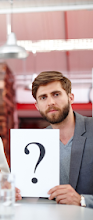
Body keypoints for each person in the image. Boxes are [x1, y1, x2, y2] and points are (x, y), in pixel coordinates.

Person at [32, 71, 93, 208]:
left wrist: (82, 200)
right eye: (43, 97)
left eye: (56, 94)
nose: (50, 102)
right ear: (37, 106)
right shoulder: (36, 142)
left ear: (71, 97)